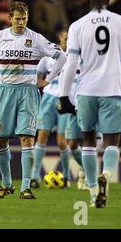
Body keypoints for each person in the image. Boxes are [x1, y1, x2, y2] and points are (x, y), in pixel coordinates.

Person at [0, 1, 67, 199]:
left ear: (27, 18)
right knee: (0, 140)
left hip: (28, 93)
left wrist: (47, 80)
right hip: (5, 91)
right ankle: (6, 184)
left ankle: (25, 187)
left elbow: (62, 57)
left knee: (27, 138)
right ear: (9, 18)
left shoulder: (36, 39)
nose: (21, 22)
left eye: (24, 18)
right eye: (17, 18)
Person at [59, 0, 121, 208]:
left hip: (86, 90)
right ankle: (106, 174)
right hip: (113, 89)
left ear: (88, 0)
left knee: (87, 140)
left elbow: (71, 64)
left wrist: (64, 96)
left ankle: (94, 191)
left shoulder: (77, 26)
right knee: (112, 141)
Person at [31, 28, 85, 189]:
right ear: (60, 39)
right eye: (65, 38)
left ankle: (68, 176)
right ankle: (34, 176)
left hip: (66, 100)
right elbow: (38, 73)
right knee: (42, 135)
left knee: (63, 141)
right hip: (48, 98)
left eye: (70, 38)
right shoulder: (49, 56)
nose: (68, 41)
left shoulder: (79, 58)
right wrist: (40, 84)